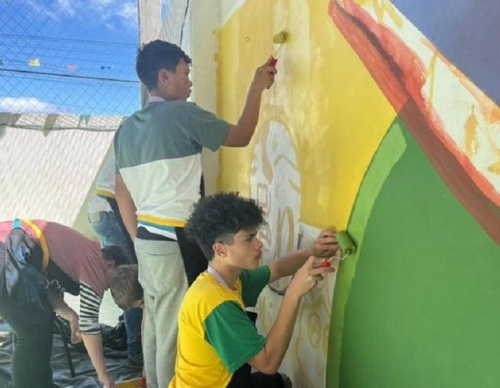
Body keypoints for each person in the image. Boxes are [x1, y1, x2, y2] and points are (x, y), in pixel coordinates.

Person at [114, 39, 277, 387]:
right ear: (164, 76)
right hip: (174, 238)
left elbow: (121, 190)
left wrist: (138, 239)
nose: (189, 82)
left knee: (157, 326)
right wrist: (256, 86)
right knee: (177, 333)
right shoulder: (183, 114)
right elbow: (242, 135)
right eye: (185, 73)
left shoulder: (125, 130)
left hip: (146, 237)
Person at [167, 192, 338, 387]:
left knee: (274, 383)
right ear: (220, 250)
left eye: (255, 235)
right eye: (249, 239)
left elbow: (277, 269)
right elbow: (268, 363)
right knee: (273, 380)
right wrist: (294, 292)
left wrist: (313, 251)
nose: (259, 244)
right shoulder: (215, 303)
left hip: (222, 380)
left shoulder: (228, 278)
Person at [0, 219, 130, 388]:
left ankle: (42, 384)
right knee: (31, 332)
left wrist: (71, 315)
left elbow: (46, 290)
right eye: (111, 284)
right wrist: (103, 375)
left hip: (13, 253)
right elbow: (89, 325)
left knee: (42, 322)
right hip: (6, 253)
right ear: (111, 264)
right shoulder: (96, 263)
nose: (105, 290)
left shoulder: (83, 252)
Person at [88, 153, 143, 370]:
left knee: (125, 280)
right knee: (130, 282)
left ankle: (130, 339)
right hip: (110, 210)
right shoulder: (144, 143)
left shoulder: (134, 135)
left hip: (103, 209)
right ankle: (136, 350)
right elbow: (125, 195)